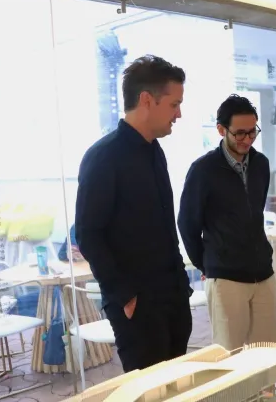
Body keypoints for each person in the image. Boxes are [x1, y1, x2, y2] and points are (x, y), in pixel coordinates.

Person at [75, 55, 192, 372]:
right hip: (138, 304)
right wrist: (124, 296)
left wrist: (181, 285)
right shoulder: (104, 157)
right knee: (150, 389)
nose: (179, 114)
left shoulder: (155, 151)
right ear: (146, 100)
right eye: (174, 104)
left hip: (172, 295)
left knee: (180, 385)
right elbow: (88, 234)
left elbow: (163, 226)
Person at [178, 94, 276, 350]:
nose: (248, 139)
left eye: (252, 132)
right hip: (226, 277)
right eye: (240, 133)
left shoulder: (261, 164)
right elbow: (187, 224)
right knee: (229, 355)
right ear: (221, 130)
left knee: (268, 354)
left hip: (263, 273)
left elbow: (255, 212)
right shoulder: (203, 170)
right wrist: (208, 264)